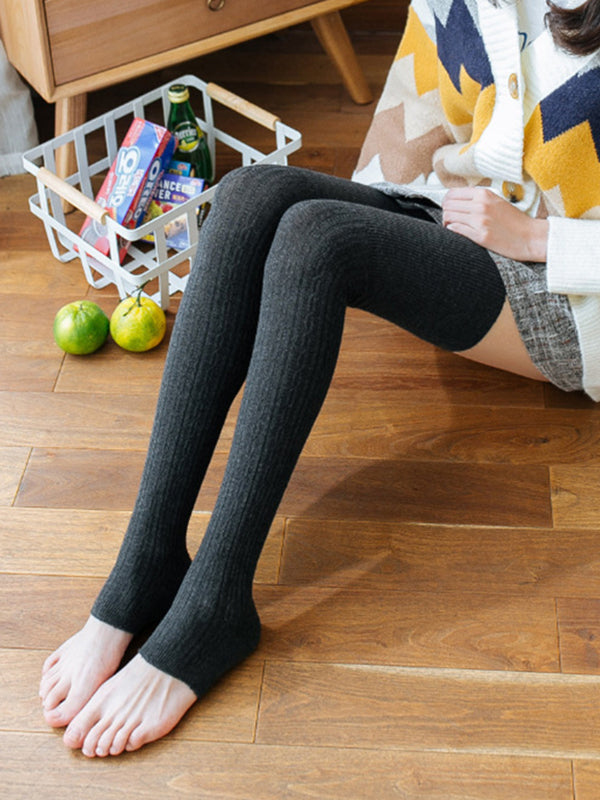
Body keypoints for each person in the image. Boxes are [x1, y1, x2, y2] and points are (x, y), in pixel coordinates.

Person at [38, 0, 600, 757]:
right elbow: (427, 106)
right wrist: (399, 214)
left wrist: (539, 236)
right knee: (250, 194)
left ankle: (214, 604)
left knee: (317, 241)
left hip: (569, 291)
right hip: (472, 222)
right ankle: (146, 562)